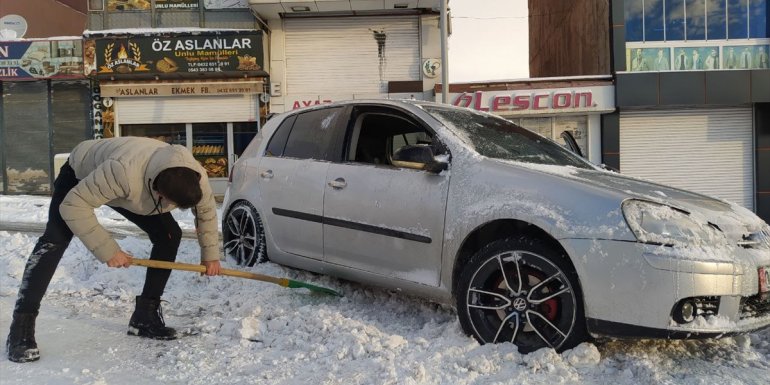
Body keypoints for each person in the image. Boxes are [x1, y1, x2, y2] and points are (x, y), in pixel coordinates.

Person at [6, 137, 222, 363]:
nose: (171, 208)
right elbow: (73, 205)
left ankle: (145, 317)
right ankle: (21, 327)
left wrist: (210, 256)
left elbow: (206, 212)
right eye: (168, 202)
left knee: (169, 236)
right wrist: (108, 249)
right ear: (158, 191)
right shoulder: (123, 172)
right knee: (55, 240)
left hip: (132, 187)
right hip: (82, 174)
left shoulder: (197, 177)